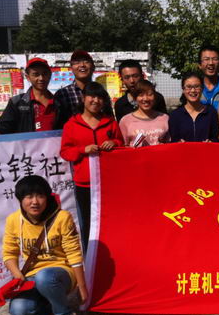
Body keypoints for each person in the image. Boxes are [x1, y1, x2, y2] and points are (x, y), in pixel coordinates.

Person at [3, 175, 86, 315]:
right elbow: (9, 252)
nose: (35, 202)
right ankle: (50, 304)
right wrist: (18, 275)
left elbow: (74, 254)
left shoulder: (62, 218)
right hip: (33, 275)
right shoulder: (13, 220)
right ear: (20, 199)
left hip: (61, 272)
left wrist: (82, 287)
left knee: (45, 277)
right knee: (19, 310)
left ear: (47, 197)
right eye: (29, 196)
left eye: (40, 196)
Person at [60, 82, 123, 249]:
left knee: (112, 221)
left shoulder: (110, 122)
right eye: (92, 96)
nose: (96, 101)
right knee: (89, 223)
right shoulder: (71, 125)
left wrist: (114, 143)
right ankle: (92, 257)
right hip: (85, 184)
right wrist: (83, 150)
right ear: (83, 98)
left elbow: (121, 144)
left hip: (109, 184)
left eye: (100, 97)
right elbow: (65, 152)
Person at [0, 58, 66, 138]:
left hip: (53, 154)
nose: (41, 78)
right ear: (28, 77)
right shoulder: (16, 103)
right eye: (36, 74)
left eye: (44, 74)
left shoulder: (59, 103)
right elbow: (3, 130)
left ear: (50, 75)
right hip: (28, 153)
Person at [54, 50, 113, 123]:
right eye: (77, 62)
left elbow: (110, 120)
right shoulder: (63, 94)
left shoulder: (101, 93)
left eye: (86, 61)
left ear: (93, 67)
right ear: (71, 68)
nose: (82, 65)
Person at [169, 72, 219, 142]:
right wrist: (178, 143)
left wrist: (211, 142)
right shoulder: (175, 115)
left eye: (197, 86)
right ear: (183, 90)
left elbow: (216, 138)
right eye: (188, 87)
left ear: (202, 88)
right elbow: (173, 141)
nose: (193, 90)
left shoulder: (211, 112)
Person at [119, 80, 170, 147]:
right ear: (135, 98)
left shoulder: (165, 118)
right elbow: (122, 146)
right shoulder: (125, 121)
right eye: (141, 95)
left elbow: (171, 144)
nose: (145, 99)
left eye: (150, 94)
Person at [198, 45, 219, 110]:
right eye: (206, 59)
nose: (211, 63)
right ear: (199, 65)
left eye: (215, 59)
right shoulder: (193, 90)